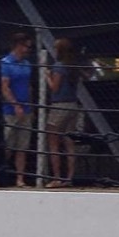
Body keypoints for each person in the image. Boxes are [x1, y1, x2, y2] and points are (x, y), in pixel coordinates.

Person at [44, 37, 83, 188]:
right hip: (73, 105)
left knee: (53, 141)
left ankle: (56, 177)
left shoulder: (58, 66)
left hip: (59, 105)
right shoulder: (73, 66)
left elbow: (54, 87)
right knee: (69, 142)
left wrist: (47, 76)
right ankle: (70, 177)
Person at [0, 32, 34, 187]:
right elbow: (4, 87)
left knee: (22, 146)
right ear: (19, 45)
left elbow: (28, 86)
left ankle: (20, 178)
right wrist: (15, 105)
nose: (28, 49)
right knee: (8, 144)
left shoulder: (27, 64)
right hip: (10, 110)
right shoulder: (6, 63)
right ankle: (1, 174)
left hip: (26, 108)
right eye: (26, 46)